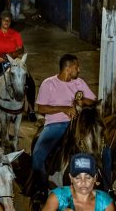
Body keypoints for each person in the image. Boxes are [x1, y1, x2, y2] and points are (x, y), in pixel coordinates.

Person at [32, 54, 97, 200]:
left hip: (79, 124)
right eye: (76, 67)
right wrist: (64, 108)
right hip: (56, 124)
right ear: (67, 68)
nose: (79, 70)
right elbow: (41, 108)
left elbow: (93, 101)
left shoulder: (79, 83)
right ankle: (41, 188)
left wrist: (81, 101)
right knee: (38, 155)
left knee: (101, 148)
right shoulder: (49, 84)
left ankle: (106, 186)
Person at [0, 11, 36, 119]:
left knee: (30, 81)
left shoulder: (15, 34)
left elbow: (21, 49)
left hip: (13, 62)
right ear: (1, 21)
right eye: (4, 20)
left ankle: (31, 109)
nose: (6, 22)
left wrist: (11, 55)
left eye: (8, 20)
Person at [41, 153, 115, 211]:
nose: (83, 182)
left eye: (88, 177)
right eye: (77, 178)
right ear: (71, 178)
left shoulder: (105, 203)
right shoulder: (58, 197)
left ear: (95, 178)